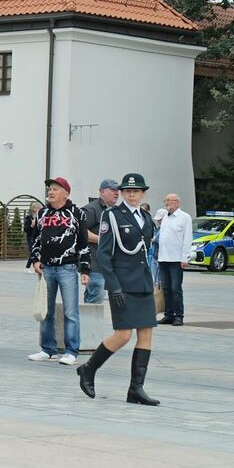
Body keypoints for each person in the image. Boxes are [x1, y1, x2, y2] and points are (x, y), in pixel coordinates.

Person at [76, 172, 161, 405]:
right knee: (123, 335)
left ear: (143, 193)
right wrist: (113, 287)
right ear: (122, 193)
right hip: (122, 283)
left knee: (146, 334)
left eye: (137, 191)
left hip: (142, 282)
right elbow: (104, 254)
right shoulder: (111, 216)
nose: (132, 194)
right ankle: (88, 369)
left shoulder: (145, 217)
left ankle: (136, 389)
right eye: (128, 191)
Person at [27, 176, 91, 365]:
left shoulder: (77, 213)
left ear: (66, 193)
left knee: (71, 311)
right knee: (46, 310)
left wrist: (85, 269)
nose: (51, 192)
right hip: (46, 268)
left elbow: (83, 243)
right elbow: (36, 240)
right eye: (49, 189)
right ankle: (48, 349)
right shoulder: (42, 214)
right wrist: (35, 260)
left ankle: (71, 351)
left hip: (68, 268)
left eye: (55, 189)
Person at [154, 193, 193, 325]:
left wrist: (184, 258)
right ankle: (168, 314)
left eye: (169, 201)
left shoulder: (184, 217)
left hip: (176, 259)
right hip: (163, 258)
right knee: (166, 288)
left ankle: (179, 315)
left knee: (176, 288)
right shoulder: (165, 217)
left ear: (177, 202)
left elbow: (187, 238)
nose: (166, 204)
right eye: (165, 201)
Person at [81, 180, 119, 305]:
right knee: (96, 297)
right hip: (94, 263)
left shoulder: (115, 210)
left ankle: (87, 322)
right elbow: (80, 231)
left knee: (93, 296)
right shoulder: (92, 209)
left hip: (108, 262)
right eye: (112, 190)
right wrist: (103, 240)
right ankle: (89, 323)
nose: (116, 193)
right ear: (102, 192)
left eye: (117, 190)